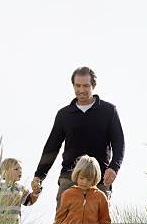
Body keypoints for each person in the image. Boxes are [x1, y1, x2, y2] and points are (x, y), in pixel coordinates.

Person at [31, 66, 125, 210]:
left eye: (86, 86)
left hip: (99, 179)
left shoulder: (108, 111)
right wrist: (39, 175)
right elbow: (52, 146)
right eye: (78, 85)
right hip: (70, 178)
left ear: (93, 86)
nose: (81, 90)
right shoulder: (64, 114)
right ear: (73, 85)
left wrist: (114, 167)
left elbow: (119, 142)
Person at [0, 158, 41, 224]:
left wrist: (35, 192)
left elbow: (29, 201)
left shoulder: (21, 189)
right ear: (5, 172)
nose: (20, 171)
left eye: (21, 169)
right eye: (16, 169)